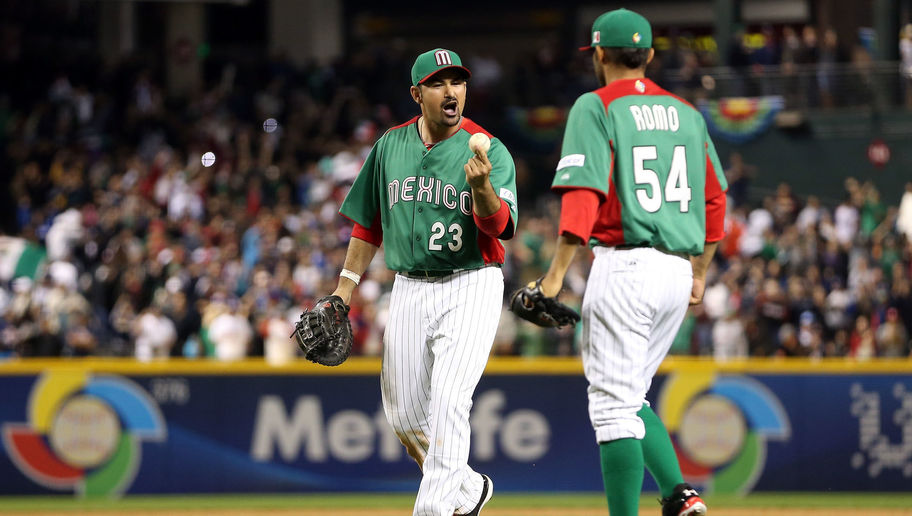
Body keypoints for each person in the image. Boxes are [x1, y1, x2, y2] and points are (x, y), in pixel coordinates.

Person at [536, 9, 725, 516]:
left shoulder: (595, 106)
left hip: (627, 266)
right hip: (677, 271)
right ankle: (680, 496)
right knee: (632, 395)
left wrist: (555, 276)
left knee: (613, 408)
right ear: (650, 56)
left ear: (599, 54)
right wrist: (701, 272)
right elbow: (715, 202)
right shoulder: (687, 112)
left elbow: (584, 195)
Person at [322, 48, 518, 516]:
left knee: (450, 401)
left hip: (472, 281)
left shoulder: (488, 148)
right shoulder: (390, 145)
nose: (452, 91)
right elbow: (368, 225)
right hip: (409, 286)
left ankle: (431, 510)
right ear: (417, 94)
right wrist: (342, 290)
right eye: (438, 83)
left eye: (458, 82)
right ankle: (467, 490)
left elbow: (502, 228)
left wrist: (483, 189)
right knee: (406, 417)